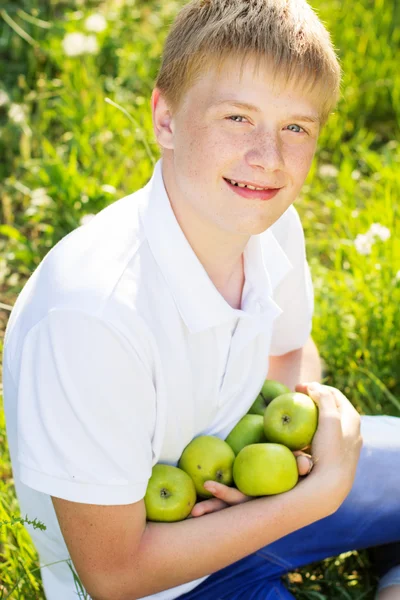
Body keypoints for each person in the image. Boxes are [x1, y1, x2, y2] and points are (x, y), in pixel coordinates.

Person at [2, 0, 400, 599]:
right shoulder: (93, 316)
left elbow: (289, 353)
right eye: (237, 118)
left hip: (249, 495)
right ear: (165, 118)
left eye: (295, 127)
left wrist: (287, 467)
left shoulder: (266, 222)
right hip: (160, 580)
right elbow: (113, 575)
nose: (268, 158)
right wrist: (315, 497)